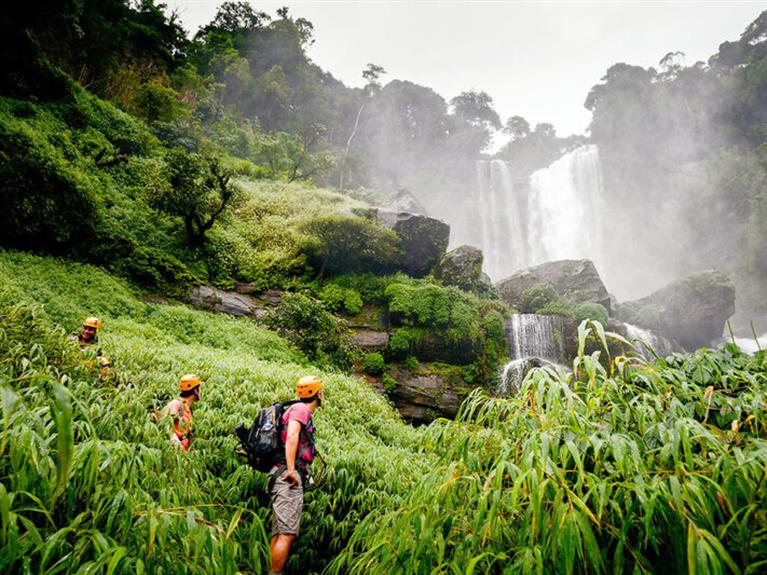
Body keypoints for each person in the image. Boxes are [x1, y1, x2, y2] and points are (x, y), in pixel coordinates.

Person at [269, 375, 324, 575]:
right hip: (287, 476)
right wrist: (292, 470)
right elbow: (292, 435)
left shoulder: (297, 409)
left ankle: (271, 570)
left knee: (280, 532)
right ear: (318, 393)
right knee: (287, 534)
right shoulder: (301, 409)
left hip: (279, 474)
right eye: (321, 391)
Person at [154, 374, 202, 452]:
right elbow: (164, 424)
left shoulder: (187, 407)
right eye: (200, 388)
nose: (201, 391)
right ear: (195, 391)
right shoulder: (176, 404)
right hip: (176, 451)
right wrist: (176, 444)